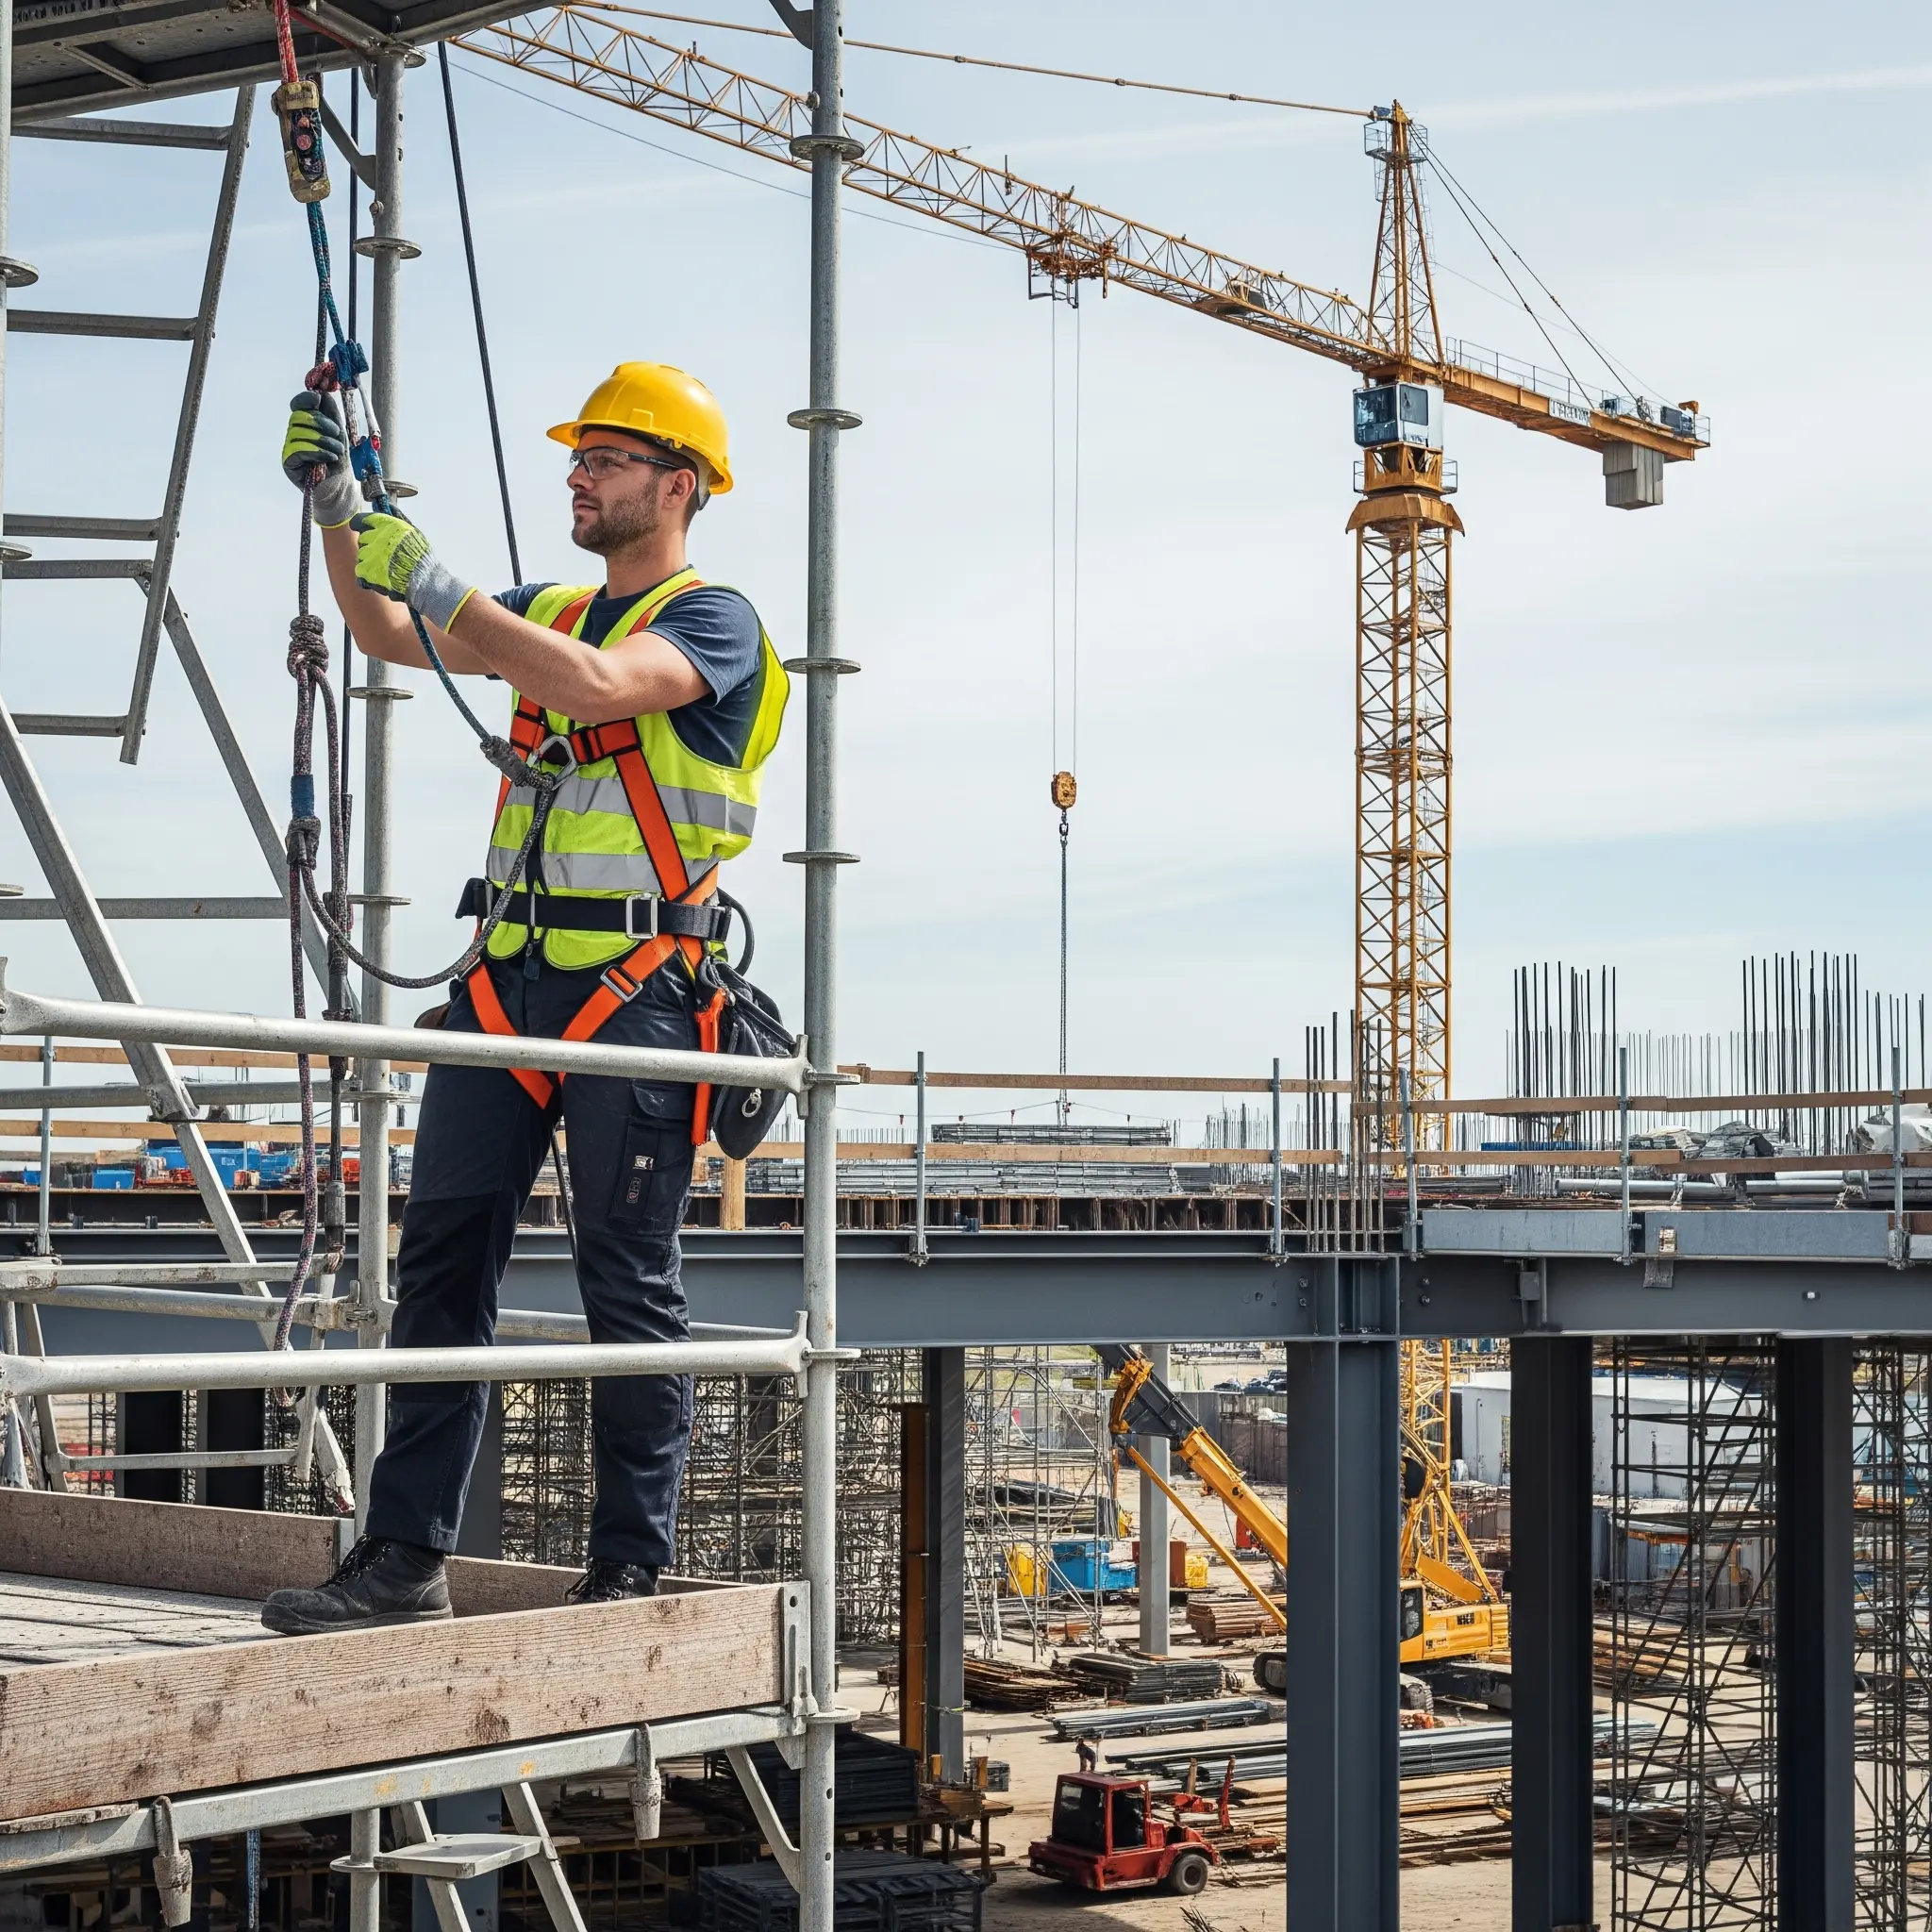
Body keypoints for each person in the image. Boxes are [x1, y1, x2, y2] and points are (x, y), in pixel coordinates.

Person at [260, 363, 788, 1634]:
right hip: (505, 991)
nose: (578, 474)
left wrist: (434, 577)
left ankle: (628, 1572)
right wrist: (337, 505)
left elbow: (601, 689)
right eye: (578, 455)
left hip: (640, 995)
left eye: (606, 458)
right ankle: (402, 1557)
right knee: (442, 1267)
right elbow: (388, 632)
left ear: (680, 484)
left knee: (627, 1286)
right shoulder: (550, 606)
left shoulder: (716, 621)